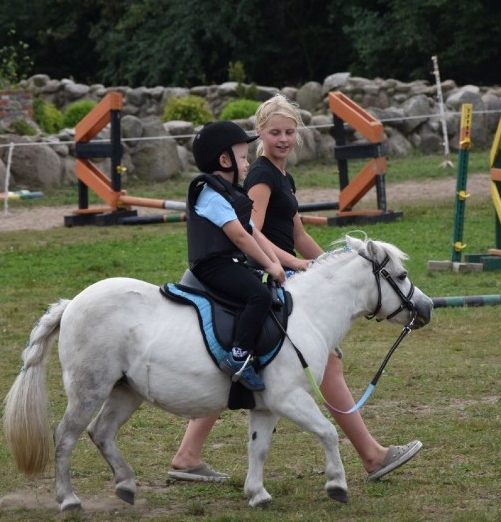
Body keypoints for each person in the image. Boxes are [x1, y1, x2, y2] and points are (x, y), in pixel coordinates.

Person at [169, 95, 422, 483]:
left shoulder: (282, 175)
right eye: (275, 133)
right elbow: (249, 231)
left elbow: (297, 232)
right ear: (260, 135)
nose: (283, 138)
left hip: (286, 272)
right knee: (324, 363)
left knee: (257, 360)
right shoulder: (259, 176)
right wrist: (287, 265)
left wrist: (332, 271)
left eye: (289, 132)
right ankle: (371, 455)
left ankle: (188, 455)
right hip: (265, 273)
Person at [186, 120, 286, 394]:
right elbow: (240, 237)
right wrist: (268, 264)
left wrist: (282, 264)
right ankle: (238, 357)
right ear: (224, 159)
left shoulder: (229, 193)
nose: (246, 163)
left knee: (265, 286)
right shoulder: (211, 196)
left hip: (227, 262)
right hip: (212, 266)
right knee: (259, 296)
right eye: (242, 158)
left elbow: (253, 231)